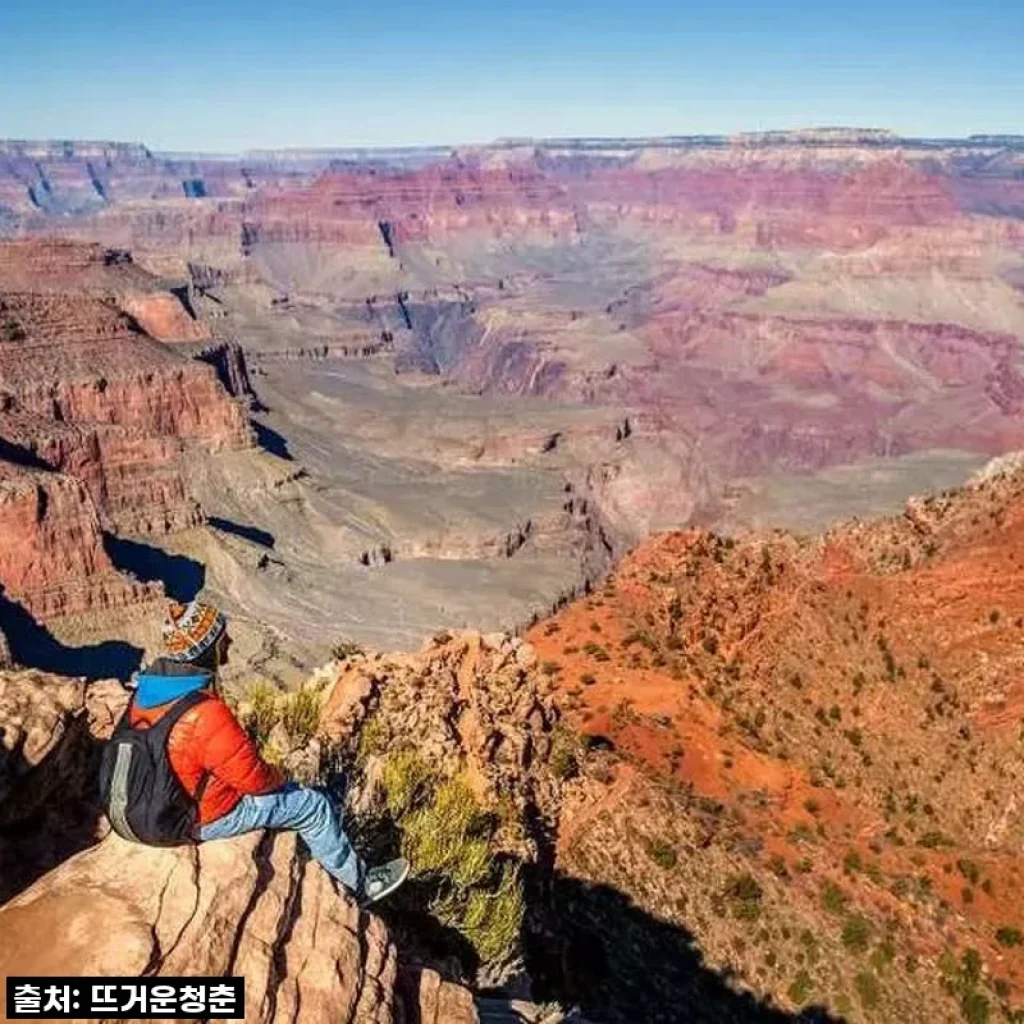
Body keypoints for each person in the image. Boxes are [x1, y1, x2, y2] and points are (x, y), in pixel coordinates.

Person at [127, 599, 408, 906]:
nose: (230, 641)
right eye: (222, 637)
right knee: (312, 806)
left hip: (148, 809)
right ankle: (362, 885)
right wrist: (283, 778)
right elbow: (255, 780)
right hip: (200, 817)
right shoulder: (204, 712)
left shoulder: (149, 692)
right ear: (209, 647)